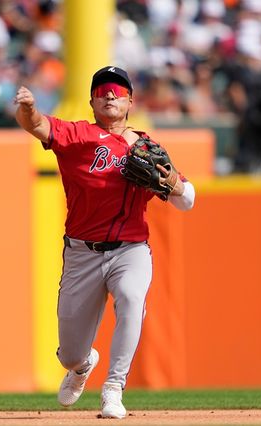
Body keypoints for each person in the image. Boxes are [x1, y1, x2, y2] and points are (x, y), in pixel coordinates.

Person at [13, 65, 195, 419]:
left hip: (131, 248)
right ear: (92, 102)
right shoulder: (77, 135)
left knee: (131, 298)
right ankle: (82, 366)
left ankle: (114, 386)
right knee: (70, 354)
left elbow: (187, 200)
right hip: (82, 252)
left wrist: (174, 182)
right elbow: (35, 125)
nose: (110, 94)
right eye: (102, 90)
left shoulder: (146, 146)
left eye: (118, 90)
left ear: (130, 101)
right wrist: (29, 107)